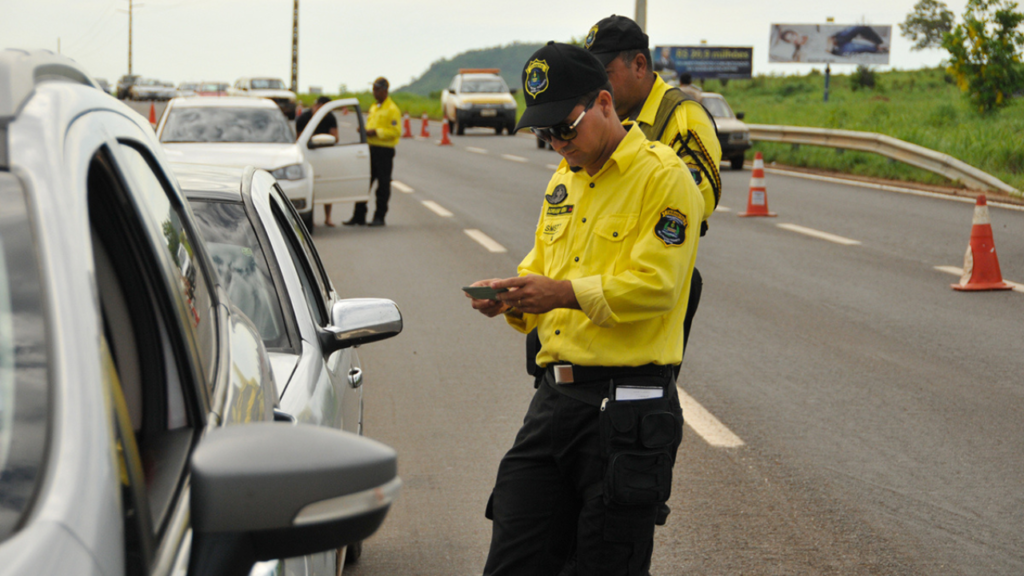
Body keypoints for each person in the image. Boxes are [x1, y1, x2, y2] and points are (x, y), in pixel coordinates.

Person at [467, 42, 704, 576]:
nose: (556, 145)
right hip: (555, 403)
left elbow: (659, 287)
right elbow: (541, 269)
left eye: (565, 128)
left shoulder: (662, 177)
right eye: (543, 134)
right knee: (512, 556)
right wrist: (512, 298)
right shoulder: (563, 181)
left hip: (627, 411)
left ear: (603, 102)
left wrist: (563, 294)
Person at [585, 14, 721, 360]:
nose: (598, 87)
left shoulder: (682, 119)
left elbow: (696, 200)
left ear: (640, 65)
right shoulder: (609, 118)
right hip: (602, 284)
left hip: (650, 283)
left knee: (641, 402)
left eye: (606, 75)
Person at [343, 77, 401, 227]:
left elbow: (395, 131)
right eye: (373, 89)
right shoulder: (374, 107)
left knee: (382, 185)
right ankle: (358, 216)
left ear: (384, 91)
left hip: (384, 151)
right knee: (363, 183)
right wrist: (364, 131)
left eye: (376, 89)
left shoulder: (392, 109)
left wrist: (376, 132)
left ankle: (379, 217)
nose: (374, 92)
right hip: (370, 149)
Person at [295, 96, 339, 226]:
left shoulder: (330, 117)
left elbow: (335, 137)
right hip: (309, 153)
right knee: (309, 186)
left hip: (326, 154)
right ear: (318, 105)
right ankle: (309, 219)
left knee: (328, 185)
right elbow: (299, 140)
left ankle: (328, 217)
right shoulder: (304, 117)